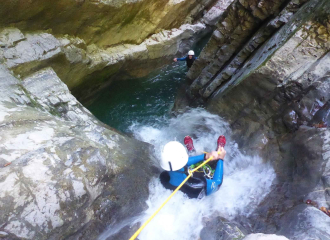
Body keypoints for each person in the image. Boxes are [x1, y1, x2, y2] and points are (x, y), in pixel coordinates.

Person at [160, 135, 226, 199]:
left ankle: (192, 152)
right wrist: (221, 159)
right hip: (196, 183)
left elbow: (180, 164)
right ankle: (219, 152)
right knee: (211, 167)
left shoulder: (163, 177)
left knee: (192, 166)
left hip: (186, 179)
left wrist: (205, 156)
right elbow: (218, 183)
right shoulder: (198, 184)